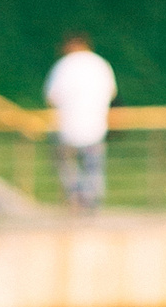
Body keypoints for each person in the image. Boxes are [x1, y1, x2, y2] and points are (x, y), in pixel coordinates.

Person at [45, 29, 117, 210]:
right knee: (94, 167)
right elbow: (112, 93)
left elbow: (51, 97)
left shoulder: (64, 65)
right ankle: (92, 198)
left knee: (66, 164)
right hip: (96, 127)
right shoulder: (100, 64)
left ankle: (76, 195)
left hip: (66, 127)